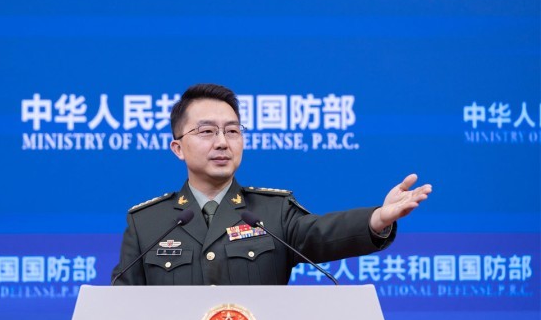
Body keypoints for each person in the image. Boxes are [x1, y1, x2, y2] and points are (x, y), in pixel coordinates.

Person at [111, 83, 432, 285]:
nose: (222, 142)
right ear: (178, 148)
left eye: (232, 131)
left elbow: (323, 234)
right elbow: (119, 309)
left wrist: (378, 218)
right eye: (207, 132)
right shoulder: (147, 223)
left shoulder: (271, 212)